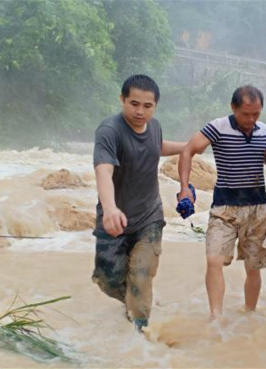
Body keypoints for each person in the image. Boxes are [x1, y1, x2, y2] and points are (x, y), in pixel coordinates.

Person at [91, 74, 187, 332]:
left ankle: (140, 334)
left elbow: (157, 146)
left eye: (147, 106)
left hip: (149, 218)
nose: (140, 111)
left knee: (141, 274)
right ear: (122, 99)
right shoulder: (110, 131)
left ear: (155, 106)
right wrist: (110, 209)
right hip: (114, 219)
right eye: (134, 104)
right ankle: (132, 301)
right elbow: (103, 170)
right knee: (107, 280)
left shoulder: (154, 126)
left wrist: (189, 147)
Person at [178, 85, 266, 320]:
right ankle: (216, 317)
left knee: (253, 267)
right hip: (225, 208)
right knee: (213, 260)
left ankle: (249, 315)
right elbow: (188, 151)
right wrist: (184, 189)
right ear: (233, 108)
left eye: (256, 114)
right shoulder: (217, 127)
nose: (251, 120)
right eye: (245, 114)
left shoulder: (264, 131)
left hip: (258, 208)